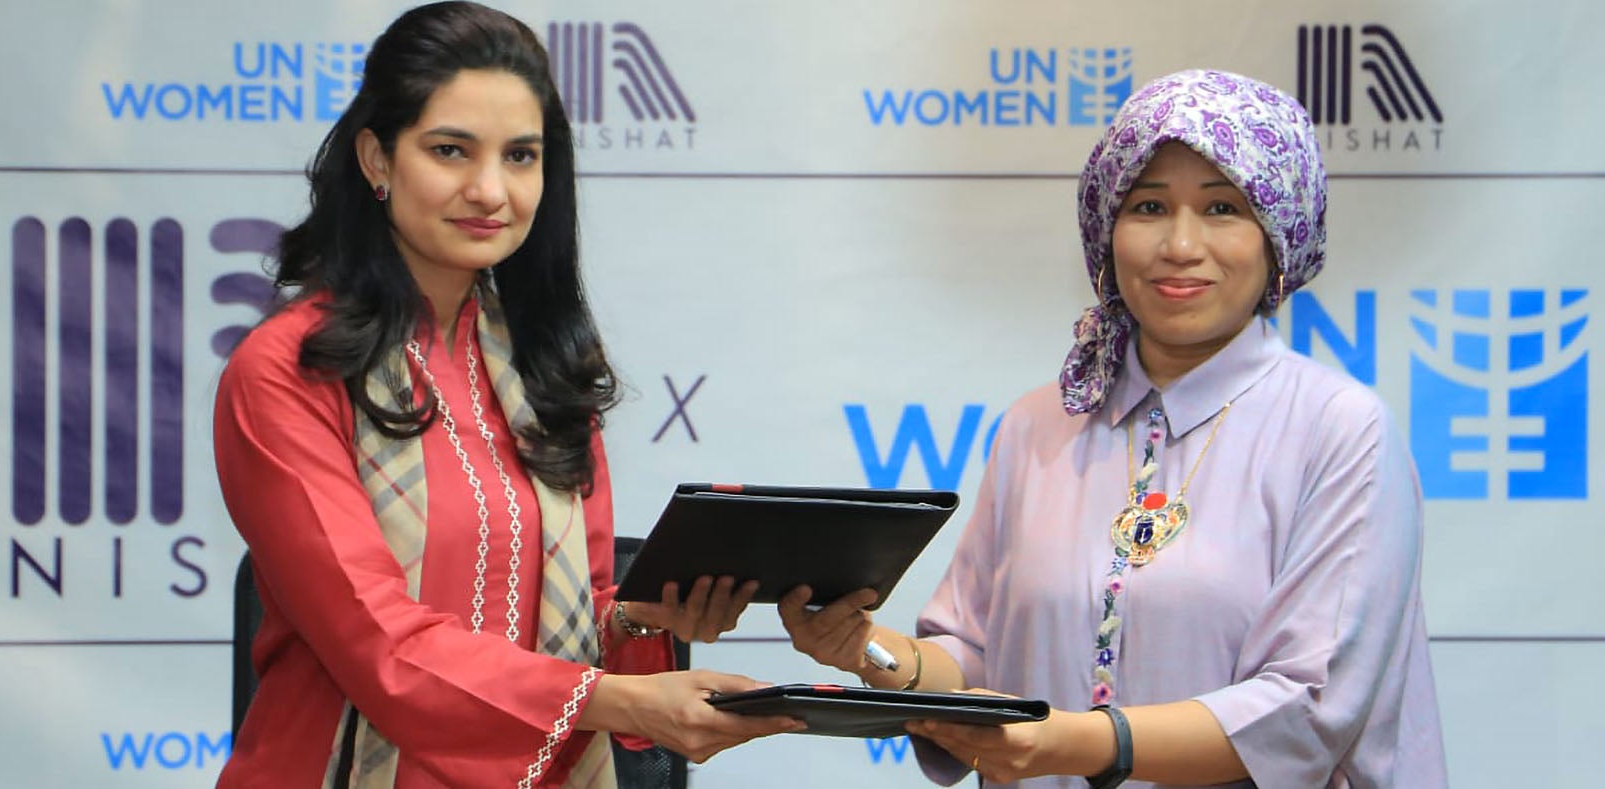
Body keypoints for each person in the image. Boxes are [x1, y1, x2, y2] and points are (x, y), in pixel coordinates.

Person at [779, 69, 1446, 787]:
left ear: (1279, 234)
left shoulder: (1338, 429)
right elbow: (969, 654)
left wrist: (1084, 742)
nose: (1181, 245)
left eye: (1222, 207)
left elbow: (1310, 703)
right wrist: (866, 651)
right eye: (1149, 205)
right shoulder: (1040, 422)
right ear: (1105, 228)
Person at [213, 3, 801, 787]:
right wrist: (623, 701)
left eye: (520, 156)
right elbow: (378, 644)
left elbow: (573, 612)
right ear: (376, 159)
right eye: (450, 150)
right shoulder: (289, 369)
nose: (490, 189)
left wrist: (646, 617)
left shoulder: (542, 364)